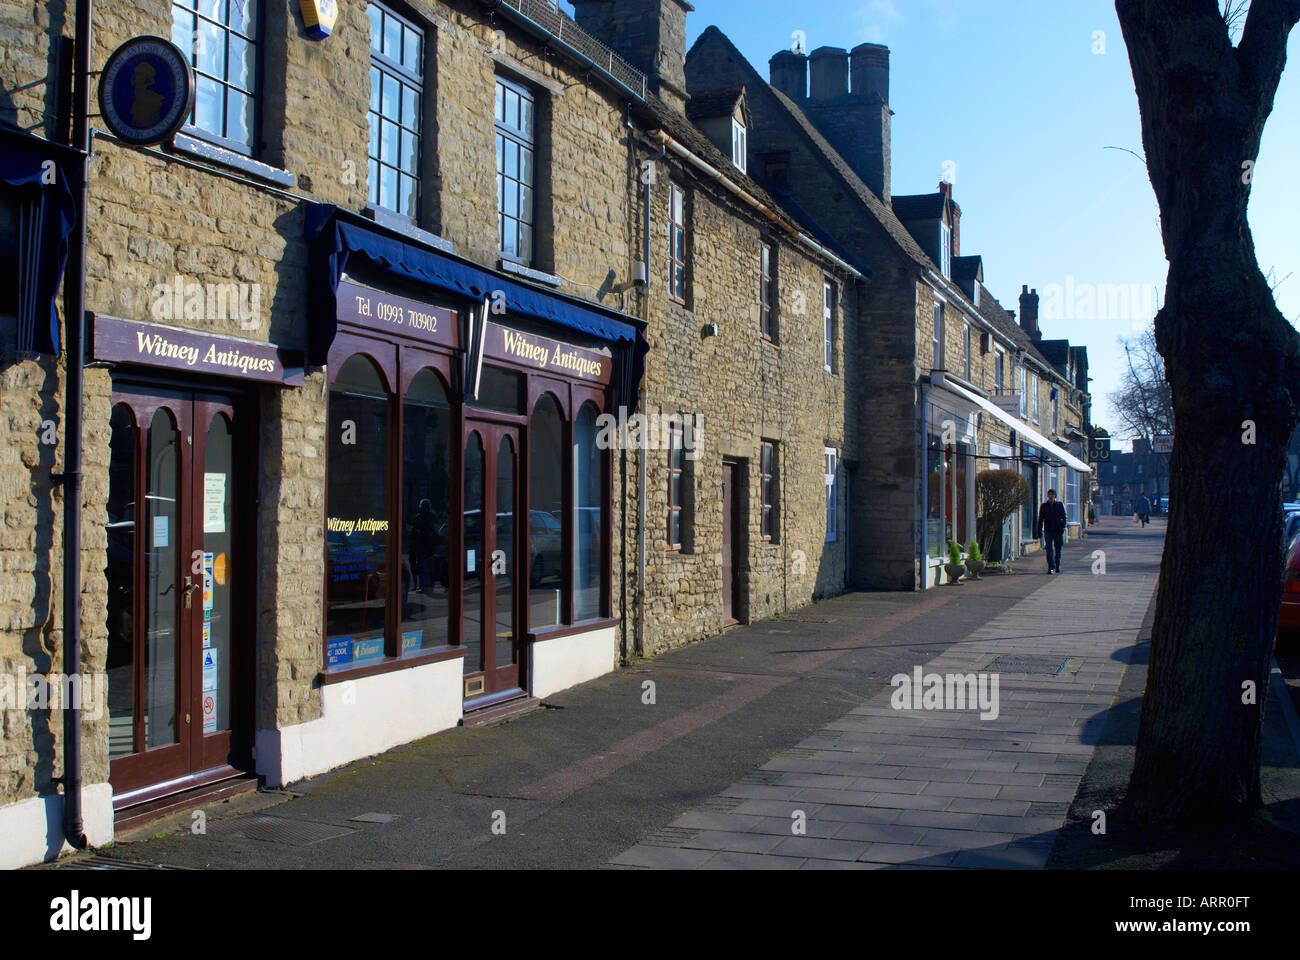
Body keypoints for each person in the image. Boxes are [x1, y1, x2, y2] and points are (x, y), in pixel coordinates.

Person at [1034, 488, 1067, 574]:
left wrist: (1062, 528)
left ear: (1055, 496)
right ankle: (1051, 567)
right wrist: (1039, 531)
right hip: (1048, 530)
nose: (1051, 496)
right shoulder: (1044, 506)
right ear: (1047, 496)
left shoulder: (1059, 505)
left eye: (1052, 494)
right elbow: (1040, 519)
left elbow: (1064, 517)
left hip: (1058, 530)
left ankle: (1057, 565)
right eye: (1049, 494)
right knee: (1049, 549)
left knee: (1058, 549)